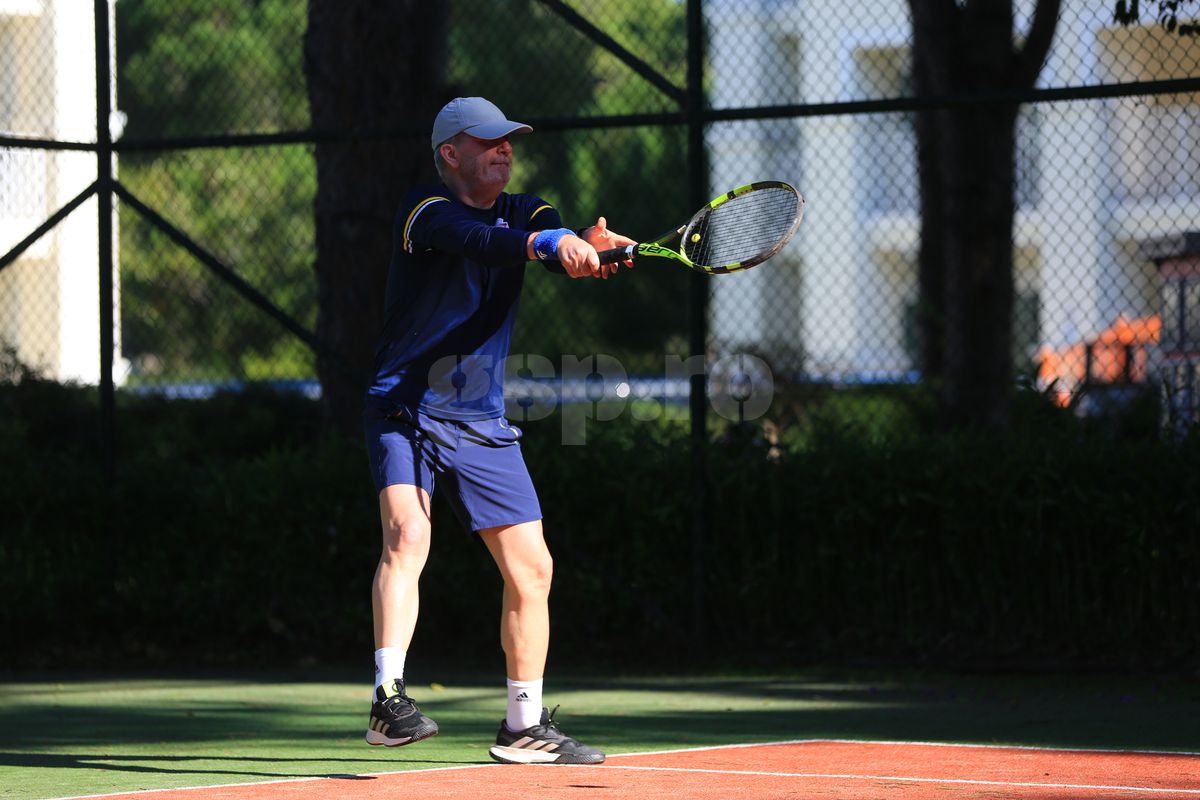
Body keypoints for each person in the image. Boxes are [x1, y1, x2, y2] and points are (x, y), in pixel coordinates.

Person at [361, 96, 634, 765]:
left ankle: (522, 726)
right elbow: (485, 244)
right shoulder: (425, 211)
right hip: (405, 405)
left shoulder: (529, 209)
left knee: (533, 570)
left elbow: (541, 235)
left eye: (509, 140)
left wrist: (588, 250)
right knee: (408, 533)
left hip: (480, 420)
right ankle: (388, 701)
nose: (505, 149)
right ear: (450, 154)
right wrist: (551, 247)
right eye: (488, 142)